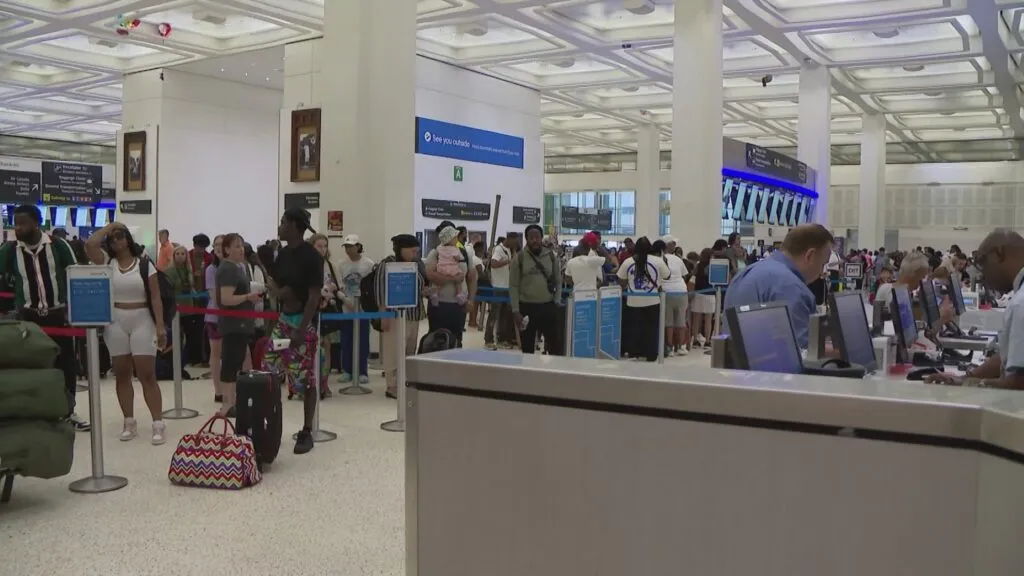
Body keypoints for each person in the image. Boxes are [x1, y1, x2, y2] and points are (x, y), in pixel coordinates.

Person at [0, 205, 89, 431]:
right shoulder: (10, 250)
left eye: (23, 223)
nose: (17, 228)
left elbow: (76, 276)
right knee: (31, 367)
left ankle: (68, 411)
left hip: (58, 315)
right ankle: (36, 413)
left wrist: (75, 311)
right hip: (28, 318)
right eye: (15, 223)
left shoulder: (58, 246)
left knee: (65, 365)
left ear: (37, 223)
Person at [85, 222, 166, 444]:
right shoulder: (107, 262)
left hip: (143, 318)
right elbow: (90, 244)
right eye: (112, 238)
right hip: (116, 320)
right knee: (121, 373)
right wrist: (110, 226)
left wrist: (160, 325)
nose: (116, 240)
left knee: (146, 374)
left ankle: (158, 423)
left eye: (120, 235)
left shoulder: (144, 264)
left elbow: (156, 296)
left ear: (128, 238)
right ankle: (129, 421)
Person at [926, 230, 1024, 389]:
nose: (981, 274)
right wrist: (967, 377)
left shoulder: (1020, 303)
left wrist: (976, 384)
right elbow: (1009, 356)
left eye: (982, 263)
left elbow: (1019, 382)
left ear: (999, 254)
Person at [263, 208, 326, 455]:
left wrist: (302, 329)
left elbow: (313, 295)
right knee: (268, 366)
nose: (280, 226)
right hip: (284, 320)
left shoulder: (312, 257)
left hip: (303, 322)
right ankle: (271, 420)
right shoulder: (283, 254)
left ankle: (307, 430)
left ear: (294, 226)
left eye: (283, 222)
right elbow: (280, 286)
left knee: (304, 378)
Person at [723, 224, 834, 350]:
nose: (822, 272)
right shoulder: (792, 288)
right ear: (810, 256)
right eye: (823, 264)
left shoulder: (745, 274)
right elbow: (805, 352)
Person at [214, 233, 262, 416]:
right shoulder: (229, 269)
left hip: (240, 323)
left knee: (235, 361)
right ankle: (228, 403)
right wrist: (248, 297)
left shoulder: (236, 267)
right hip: (234, 324)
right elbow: (226, 299)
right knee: (231, 363)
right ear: (226, 249)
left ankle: (232, 401)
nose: (241, 250)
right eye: (236, 246)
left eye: (242, 246)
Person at [374, 234, 427, 398]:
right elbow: (380, 290)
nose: (415, 254)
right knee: (393, 351)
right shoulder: (387, 264)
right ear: (401, 249)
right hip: (394, 316)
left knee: (409, 350)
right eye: (412, 251)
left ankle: (405, 382)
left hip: (412, 315)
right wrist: (383, 315)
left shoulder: (414, 265)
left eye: (417, 251)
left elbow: (417, 286)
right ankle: (392, 385)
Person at [509, 224, 562, 355]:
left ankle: (555, 368)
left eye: (537, 237)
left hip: (547, 306)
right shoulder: (519, 258)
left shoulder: (551, 256)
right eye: (531, 237)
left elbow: (558, 280)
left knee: (555, 346)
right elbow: (514, 285)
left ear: (541, 238)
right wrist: (515, 310)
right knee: (527, 348)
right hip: (526, 308)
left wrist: (556, 301)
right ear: (526, 239)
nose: (534, 240)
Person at [617, 237, 670, 361]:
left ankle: (634, 352)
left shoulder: (628, 261)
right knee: (651, 329)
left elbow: (621, 280)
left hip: (633, 301)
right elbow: (667, 276)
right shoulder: (657, 261)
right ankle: (651, 354)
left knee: (634, 328)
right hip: (653, 300)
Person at [424, 225, 477, 346]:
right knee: (437, 339)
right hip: (438, 305)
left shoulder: (464, 252)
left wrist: (471, 300)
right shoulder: (435, 253)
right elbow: (430, 275)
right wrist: (453, 278)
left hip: (459, 305)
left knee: (456, 338)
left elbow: (471, 278)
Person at [336, 234, 374, 386]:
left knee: (363, 341)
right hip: (347, 309)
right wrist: (345, 299)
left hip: (363, 310)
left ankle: (362, 371)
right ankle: (347, 370)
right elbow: (338, 285)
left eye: (351, 246)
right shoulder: (341, 264)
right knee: (346, 341)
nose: (348, 249)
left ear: (358, 246)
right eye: (346, 246)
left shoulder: (368, 264)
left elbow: (371, 287)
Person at [168, 245, 203, 365]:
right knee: (176, 336)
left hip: (188, 306)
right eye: (177, 254)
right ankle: (174, 360)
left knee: (191, 335)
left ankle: (192, 359)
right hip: (175, 308)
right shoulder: (169, 271)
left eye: (182, 254)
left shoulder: (189, 270)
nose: (180, 256)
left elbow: (193, 286)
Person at [485, 233, 517, 350]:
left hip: (506, 287)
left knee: (505, 315)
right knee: (494, 315)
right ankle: (488, 340)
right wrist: (507, 261)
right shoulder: (498, 249)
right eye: (514, 242)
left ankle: (501, 339)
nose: (515, 244)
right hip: (498, 287)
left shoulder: (508, 250)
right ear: (509, 239)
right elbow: (493, 263)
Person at [661, 236, 690, 356]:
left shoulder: (659, 259)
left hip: (666, 292)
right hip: (681, 291)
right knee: (681, 320)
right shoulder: (678, 259)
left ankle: (670, 347)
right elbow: (685, 274)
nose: (674, 245)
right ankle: (681, 346)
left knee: (668, 321)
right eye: (673, 243)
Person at [205, 235, 225, 402]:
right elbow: (214, 295)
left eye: (222, 244)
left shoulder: (239, 266)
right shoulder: (211, 269)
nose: (219, 247)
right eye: (216, 244)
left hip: (235, 317)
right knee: (216, 353)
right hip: (215, 317)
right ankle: (218, 390)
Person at [432, 229, 470, 305]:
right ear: (449, 240)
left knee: (441, 283)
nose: (457, 240)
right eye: (455, 238)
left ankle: (436, 293)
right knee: (458, 279)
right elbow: (457, 258)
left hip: (441, 268)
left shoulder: (439, 248)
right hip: (452, 268)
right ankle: (459, 293)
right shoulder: (454, 249)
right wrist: (460, 258)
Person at [690, 248, 716, 349]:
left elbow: (692, 276)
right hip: (710, 294)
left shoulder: (698, 266)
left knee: (696, 318)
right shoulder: (712, 266)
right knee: (708, 319)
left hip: (698, 294)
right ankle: (708, 341)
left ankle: (695, 340)